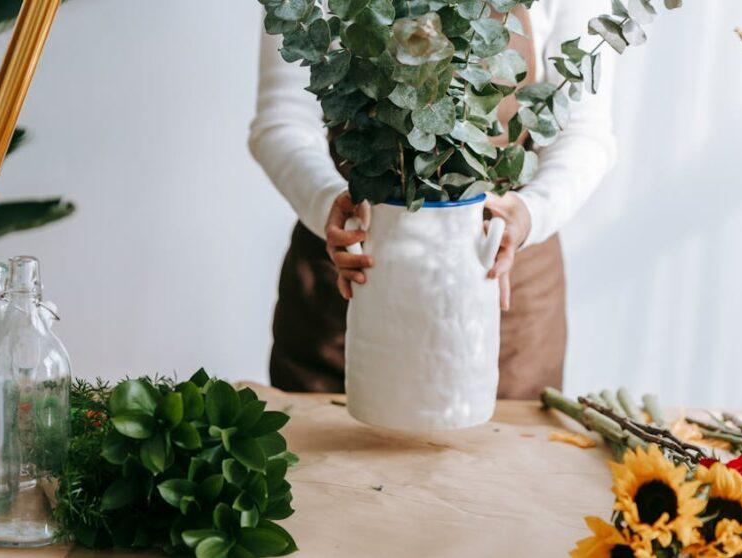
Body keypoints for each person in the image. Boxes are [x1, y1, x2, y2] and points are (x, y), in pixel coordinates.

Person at [249, 1, 617, 399]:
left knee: (501, 456)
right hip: (350, 272)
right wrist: (325, 201)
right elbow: (282, 118)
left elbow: (583, 131)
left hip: (502, 277)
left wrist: (533, 211)